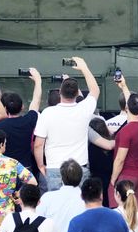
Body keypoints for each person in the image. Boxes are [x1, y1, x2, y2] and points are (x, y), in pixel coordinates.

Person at [34, 57, 99, 190]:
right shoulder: (84, 109)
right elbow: (95, 90)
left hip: (54, 168)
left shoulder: (47, 113)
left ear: (59, 92)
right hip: (79, 167)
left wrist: (40, 165)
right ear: (77, 93)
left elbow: (38, 145)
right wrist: (84, 67)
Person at [0, 68, 42, 179]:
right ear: (22, 107)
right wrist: (38, 81)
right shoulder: (29, 120)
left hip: (6, 167)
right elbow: (36, 101)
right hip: (25, 168)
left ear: (5, 108)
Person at [108, 92, 138, 208]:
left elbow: (120, 159)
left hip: (126, 175)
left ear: (126, 107)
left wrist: (112, 179)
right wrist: (123, 86)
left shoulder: (126, 131)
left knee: (121, 212)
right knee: (136, 213)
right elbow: (133, 104)